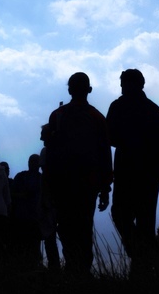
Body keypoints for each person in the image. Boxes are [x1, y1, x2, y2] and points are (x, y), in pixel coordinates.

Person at [41, 72, 113, 274]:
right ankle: (82, 271)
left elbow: (50, 150)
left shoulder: (57, 115)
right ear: (89, 90)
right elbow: (105, 153)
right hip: (88, 184)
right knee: (84, 228)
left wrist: (47, 185)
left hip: (62, 183)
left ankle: (73, 268)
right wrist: (106, 187)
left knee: (66, 228)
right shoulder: (97, 117)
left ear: (69, 89)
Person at [105, 68, 159, 271]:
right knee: (141, 223)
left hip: (131, 173)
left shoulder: (120, 107)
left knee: (124, 216)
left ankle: (143, 259)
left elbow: (110, 137)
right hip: (146, 176)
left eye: (124, 83)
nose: (122, 87)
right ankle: (145, 256)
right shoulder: (153, 110)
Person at [10, 153, 46, 266]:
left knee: (33, 247)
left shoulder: (41, 179)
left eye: (35, 162)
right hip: (22, 218)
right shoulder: (22, 177)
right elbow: (12, 195)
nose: (33, 164)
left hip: (34, 219)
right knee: (24, 246)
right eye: (32, 161)